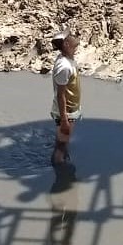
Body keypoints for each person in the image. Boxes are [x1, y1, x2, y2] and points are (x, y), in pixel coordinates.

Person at [49, 27, 82, 166]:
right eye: (71, 36)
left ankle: (61, 158)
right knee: (62, 145)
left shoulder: (68, 58)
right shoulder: (64, 67)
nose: (76, 38)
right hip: (66, 112)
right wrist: (64, 119)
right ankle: (60, 172)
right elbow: (60, 94)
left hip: (70, 110)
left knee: (62, 141)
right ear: (66, 44)